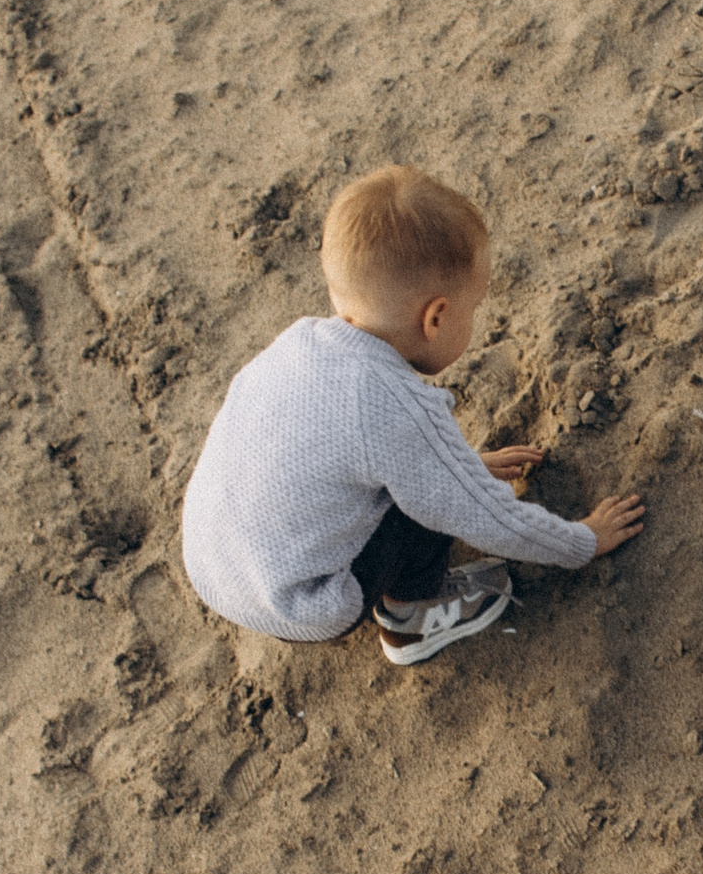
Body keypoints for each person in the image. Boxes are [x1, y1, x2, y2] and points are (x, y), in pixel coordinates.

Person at [180, 165, 645, 664]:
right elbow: (485, 516)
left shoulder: (296, 343)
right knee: (426, 505)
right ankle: (410, 620)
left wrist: (459, 464)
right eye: (475, 307)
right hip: (300, 602)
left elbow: (329, 452)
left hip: (213, 562)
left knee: (420, 474)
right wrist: (583, 541)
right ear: (436, 317)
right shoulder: (390, 406)